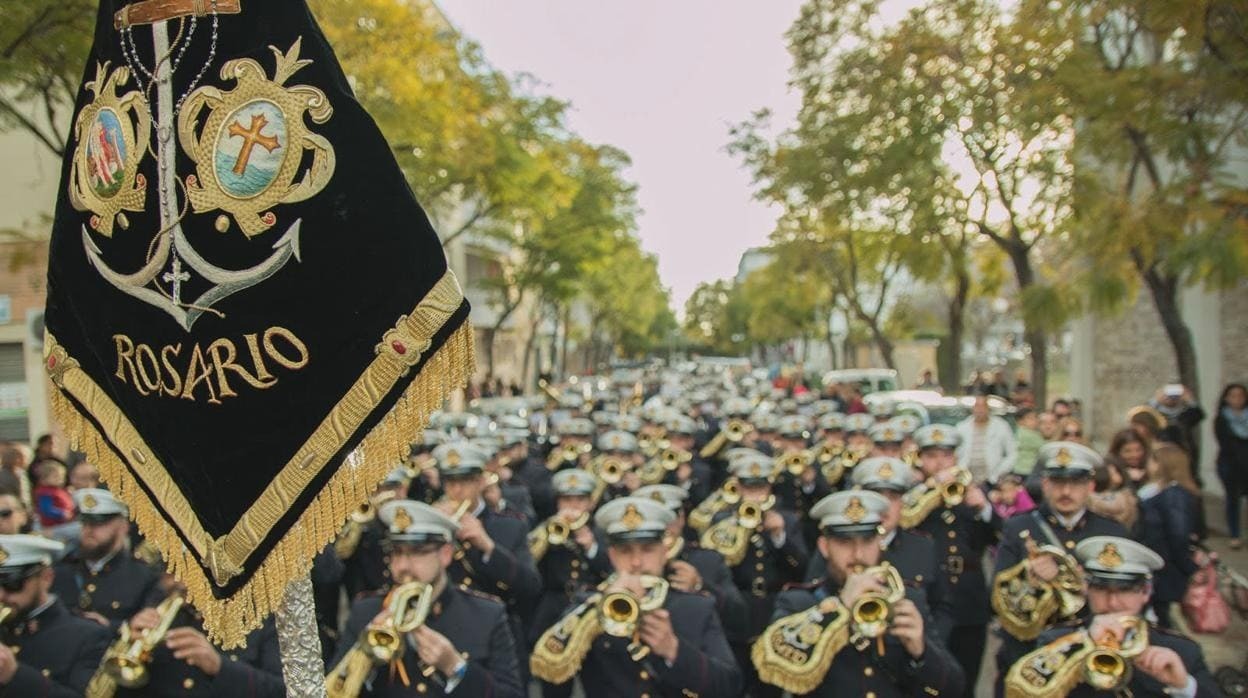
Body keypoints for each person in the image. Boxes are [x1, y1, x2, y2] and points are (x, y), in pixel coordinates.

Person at [752, 490, 965, 697]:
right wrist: (840, 607)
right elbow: (771, 673)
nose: (858, 555)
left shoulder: (907, 599)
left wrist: (922, 652)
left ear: (879, 543)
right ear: (824, 546)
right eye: (844, 542)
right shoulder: (798, 602)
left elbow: (953, 688)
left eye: (867, 541)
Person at [531, 496, 743, 697]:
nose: (636, 563)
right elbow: (553, 681)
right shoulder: (587, 604)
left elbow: (729, 687)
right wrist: (588, 617)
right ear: (612, 555)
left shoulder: (696, 606)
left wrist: (673, 650)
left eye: (647, 550)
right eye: (625, 552)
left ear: (664, 552)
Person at [329, 500, 525, 697]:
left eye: (417, 552)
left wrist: (456, 668)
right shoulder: (367, 611)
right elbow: (331, 690)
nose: (403, 566)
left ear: (445, 554)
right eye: (397, 553)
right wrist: (362, 655)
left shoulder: (487, 614)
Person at [991, 441, 1129, 693]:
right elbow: (998, 594)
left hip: (1090, 648)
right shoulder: (1019, 527)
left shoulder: (1111, 533)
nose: (1066, 491)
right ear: (1045, 484)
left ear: (1091, 486)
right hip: (1032, 646)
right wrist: (1030, 579)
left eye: (1075, 483)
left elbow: (1128, 597)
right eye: (1057, 483)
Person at [1006, 536, 1221, 697]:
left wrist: (1184, 687)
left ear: (1146, 592)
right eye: (1102, 590)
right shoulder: (1056, 641)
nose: (1112, 603)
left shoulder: (1181, 650)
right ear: (1087, 589)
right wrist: (1079, 647)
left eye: (1125, 590)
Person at [907, 424, 1000, 696]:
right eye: (932, 456)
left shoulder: (970, 493)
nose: (939, 463)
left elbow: (999, 539)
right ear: (921, 460)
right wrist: (928, 490)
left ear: (955, 459)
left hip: (968, 598)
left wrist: (983, 508)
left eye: (945, 456)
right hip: (930, 600)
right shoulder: (912, 495)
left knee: (966, 677)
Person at [116, 573, 287, 697]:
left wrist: (219, 667)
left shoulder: (262, 621)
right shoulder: (162, 611)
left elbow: (281, 691)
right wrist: (127, 642)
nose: (180, 582)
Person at [0, 534, 111, 695]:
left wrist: (15, 675)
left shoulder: (88, 636)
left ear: (46, 577)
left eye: (12, 583)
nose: (1, 595)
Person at [51, 488, 164, 631]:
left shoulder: (143, 576)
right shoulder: (62, 568)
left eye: (99, 523)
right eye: (85, 522)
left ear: (123, 527)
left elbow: (147, 626)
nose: (89, 529)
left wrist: (113, 627)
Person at [528, 468, 612, 647]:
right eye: (566, 500)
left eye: (580, 500)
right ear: (558, 503)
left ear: (590, 503)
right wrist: (545, 537)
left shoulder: (602, 532)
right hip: (553, 603)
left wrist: (591, 546)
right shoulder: (546, 528)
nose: (573, 507)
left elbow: (609, 570)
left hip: (589, 602)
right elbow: (528, 564)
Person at [1136, 445, 1200, 628]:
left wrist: (1188, 566)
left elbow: (1178, 533)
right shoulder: (1155, 491)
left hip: (1166, 568)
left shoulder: (1174, 495)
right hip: (1155, 567)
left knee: (1163, 620)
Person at [1215, 383, 1248, 548]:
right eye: (1233, 396)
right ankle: (1234, 535)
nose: (1237, 400)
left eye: (1240, 396)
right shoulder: (1222, 418)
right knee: (1232, 500)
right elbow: (1225, 443)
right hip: (1231, 465)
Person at [955, 395, 1017, 483]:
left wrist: (999, 472)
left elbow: (1012, 453)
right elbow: (955, 453)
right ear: (973, 408)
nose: (980, 410)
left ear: (988, 409)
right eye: (977, 406)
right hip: (965, 478)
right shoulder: (961, 427)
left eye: (983, 406)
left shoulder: (1001, 426)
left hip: (992, 478)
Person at [1151, 384, 1207, 468]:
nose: (1172, 397)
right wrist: (1155, 400)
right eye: (1168, 393)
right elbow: (1142, 415)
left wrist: (1190, 399)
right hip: (1160, 453)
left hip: (1185, 453)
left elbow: (1199, 414)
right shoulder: (1154, 414)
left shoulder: (1185, 415)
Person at [32, 460, 74, 531]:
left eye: (62, 477)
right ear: (44, 478)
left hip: (64, 522)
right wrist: (61, 514)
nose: (60, 479)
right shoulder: (45, 493)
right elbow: (46, 509)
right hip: (52, 526)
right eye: (56, 476)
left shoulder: (59, 490)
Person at [1012, 408, 1045, 476]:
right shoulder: (1028, 434)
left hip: (1017, 469)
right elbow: (1044, 447)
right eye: (1030, 418)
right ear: (1020, 421)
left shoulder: (1017, 432)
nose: (1036, 421)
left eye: (1035, 418)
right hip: (1027, 471)